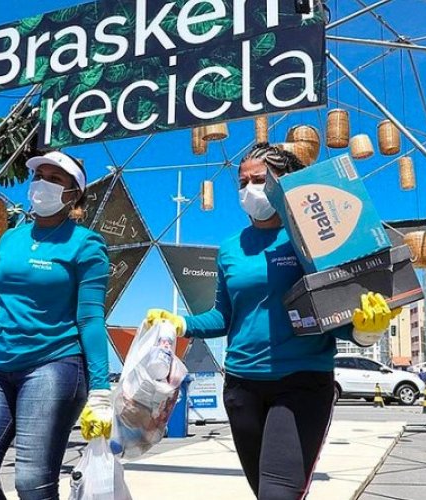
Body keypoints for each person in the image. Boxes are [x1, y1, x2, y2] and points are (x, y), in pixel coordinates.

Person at [144, 143, 401, 499]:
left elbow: (337, 309)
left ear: (284, 182)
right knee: (264, 490)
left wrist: (366, 330)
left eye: (260, 180)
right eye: (242, 182)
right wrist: (179, 323)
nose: (250, 189)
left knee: (277, 494)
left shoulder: (316, 236)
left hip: (301, 382)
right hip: (241, 387)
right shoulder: (231, 248)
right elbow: (225, 316)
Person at [0, 151, 112, 500]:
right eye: (38, 175)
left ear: (73, 193)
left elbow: (91, 318)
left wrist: (102, 391)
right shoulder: (10, 240)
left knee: (32, 484)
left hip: (54, 363)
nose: (41, 184)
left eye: (54, 178)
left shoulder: (86, 245)